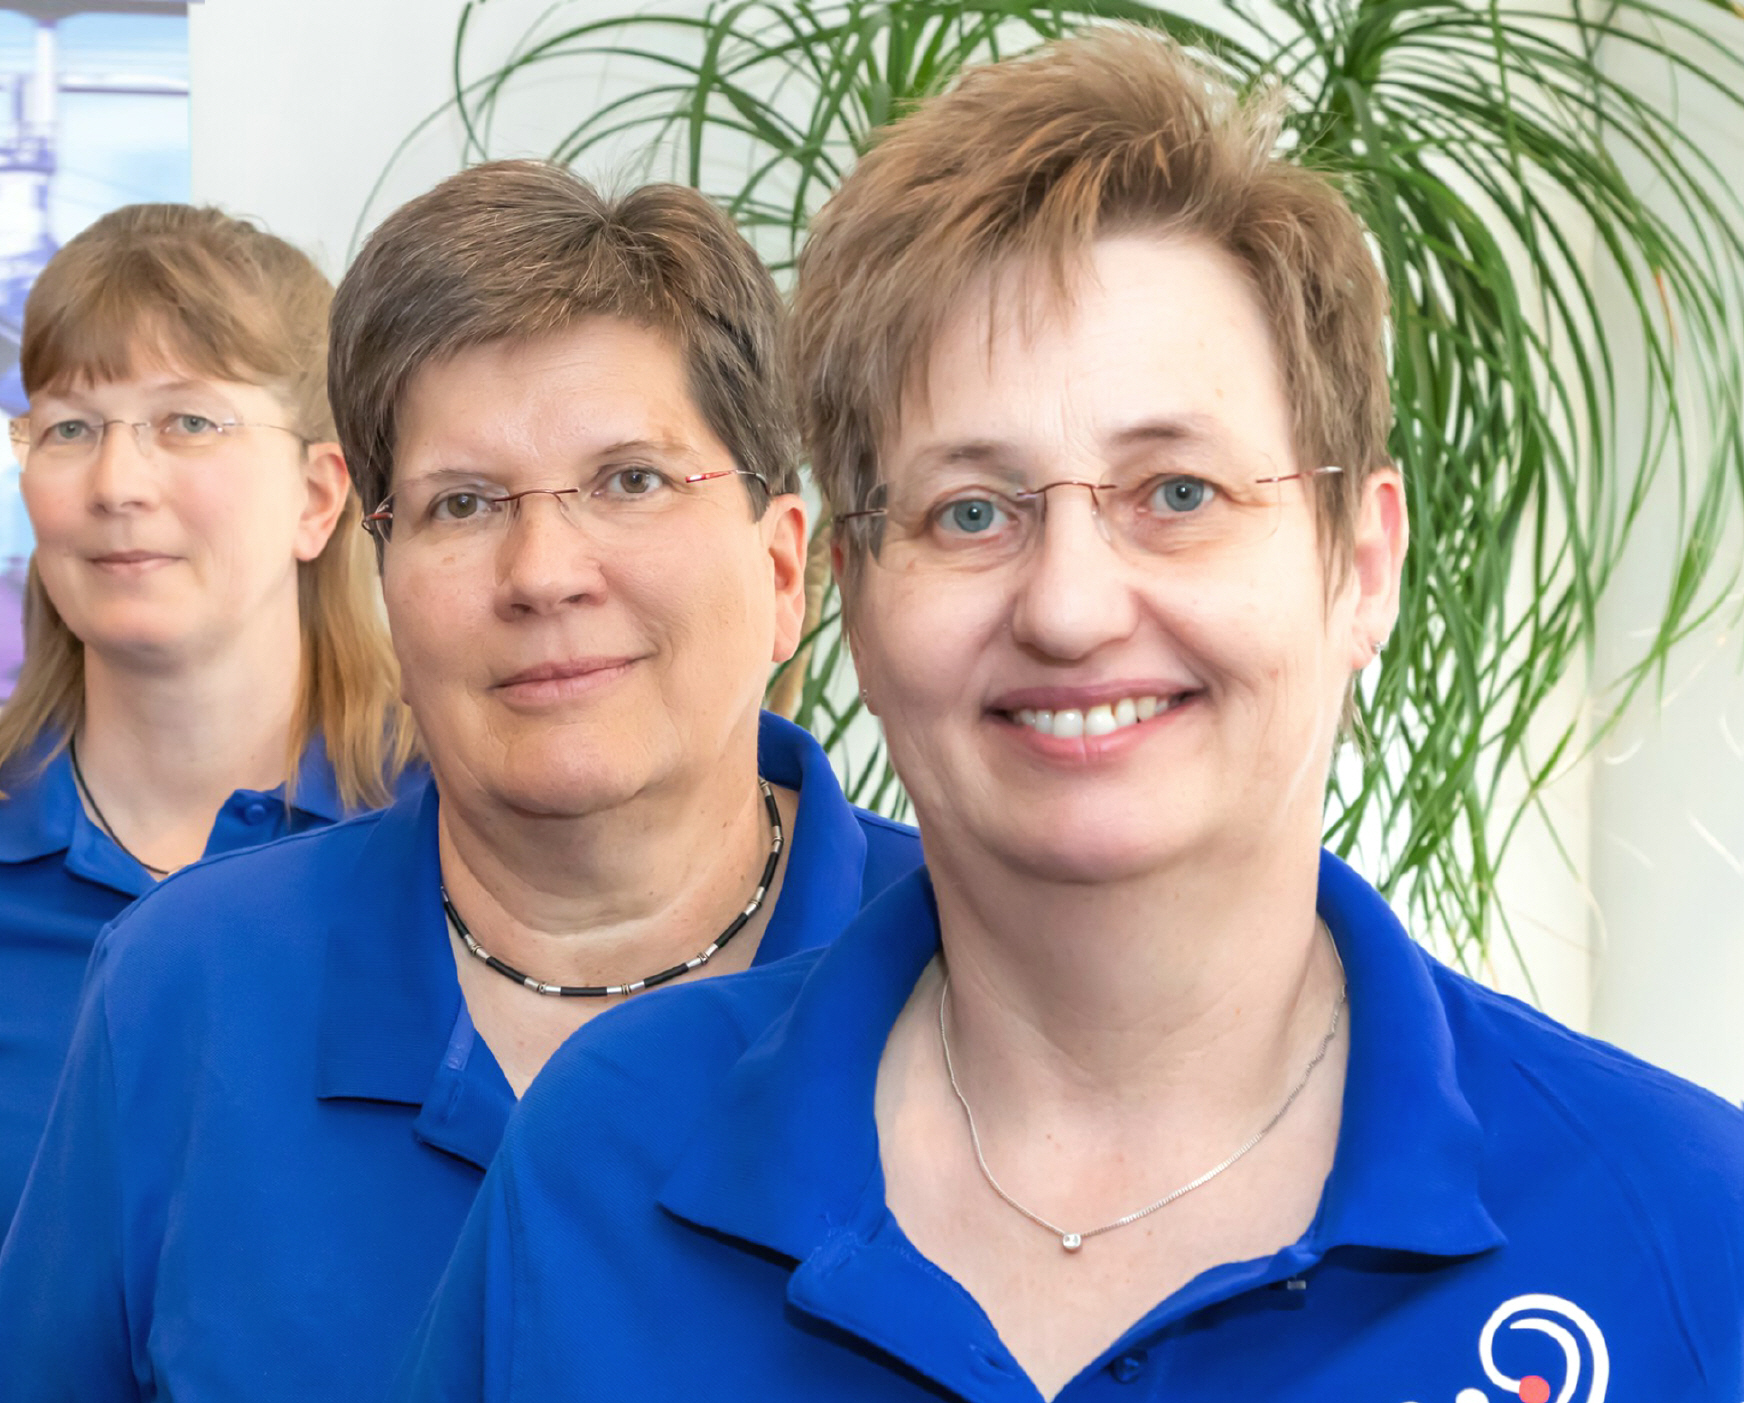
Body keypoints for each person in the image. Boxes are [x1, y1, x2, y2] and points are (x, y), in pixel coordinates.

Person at [397, 28, 1744, 1403]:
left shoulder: (1684, 1244)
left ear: (1361, 562)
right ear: (854, 591)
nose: (1071, 606)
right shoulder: (605, 1167)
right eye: (971, 511)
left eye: (1178, 492)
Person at [0, 162, 920, 1402]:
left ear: (784, 569)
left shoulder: (968, 970)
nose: (544, 571)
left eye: (630, 479)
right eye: (462, 502)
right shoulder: (188, 984)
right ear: (388, 590)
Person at [0, 204, 409, 1403]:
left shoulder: (466, 844)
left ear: (318, 496)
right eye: (70, 426)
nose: (116, 482)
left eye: (188, 420)